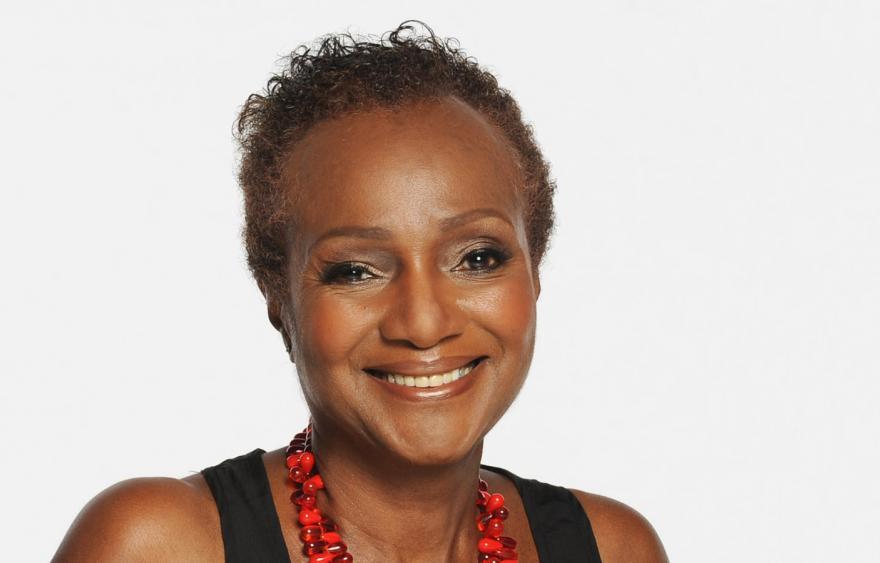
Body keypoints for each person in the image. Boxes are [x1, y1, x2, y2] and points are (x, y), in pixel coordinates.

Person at [53, 21, 668, 563]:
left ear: (534, 274)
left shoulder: (613, 549)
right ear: (279, 299)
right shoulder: (157, 545)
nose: (424, 323)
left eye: (477, 258)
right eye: (355, 271)